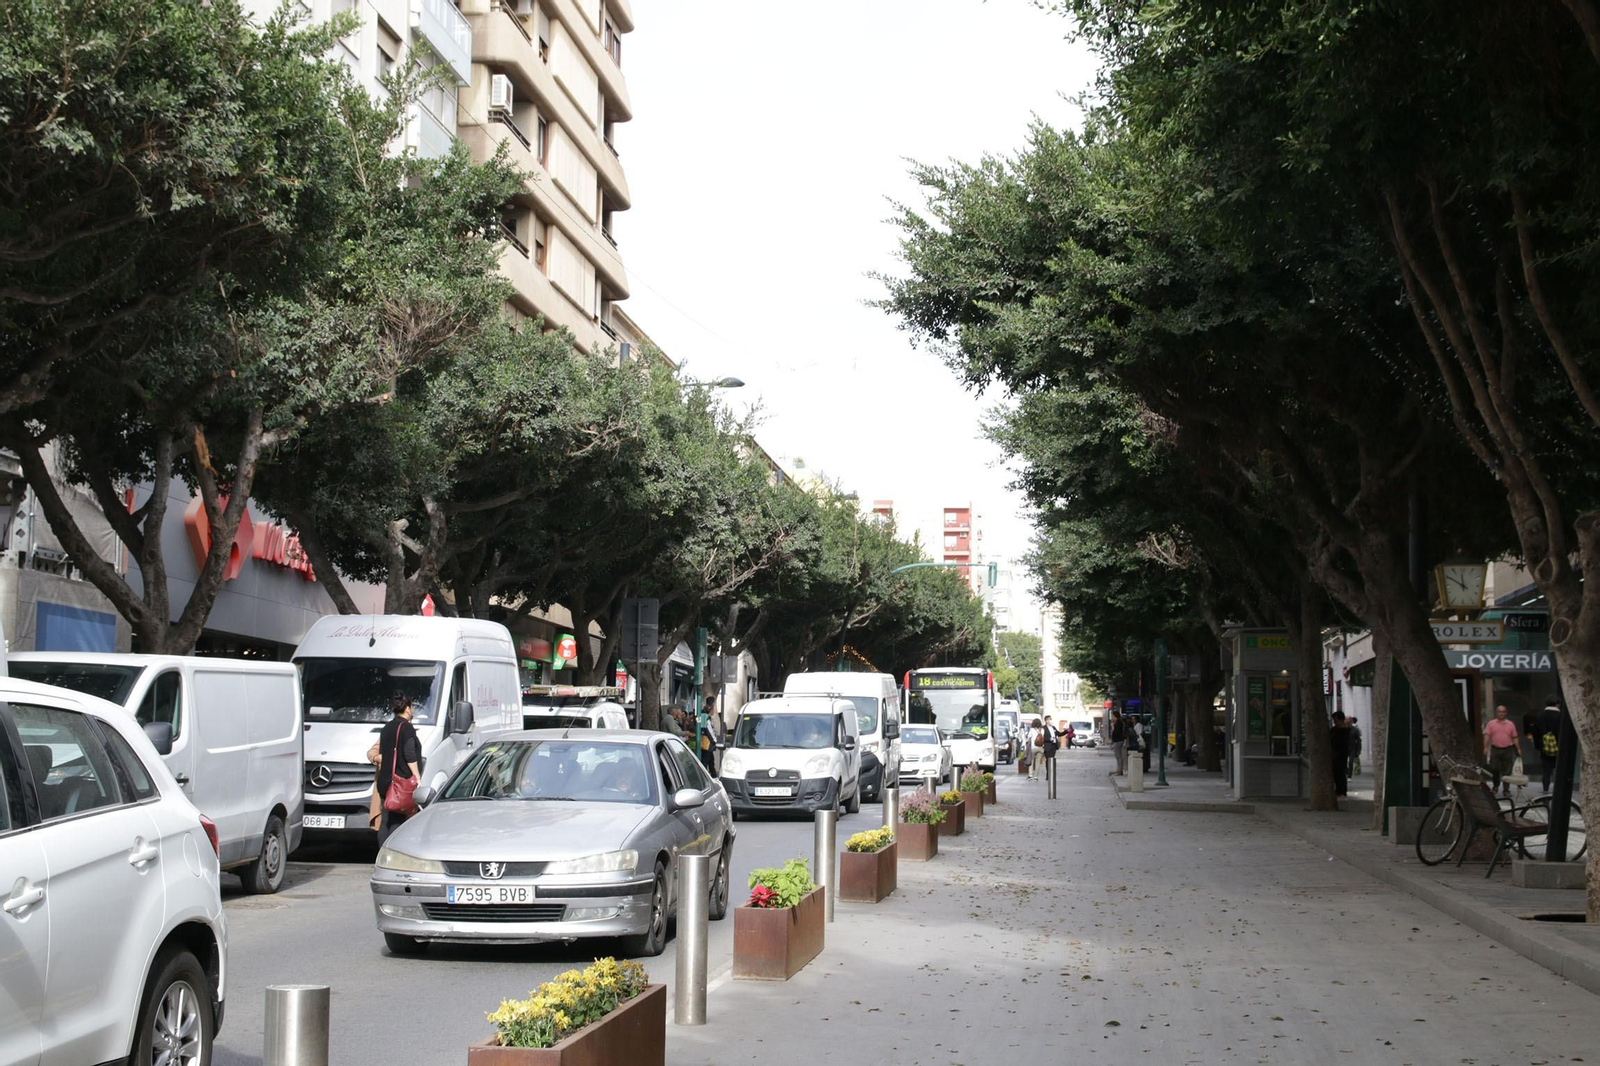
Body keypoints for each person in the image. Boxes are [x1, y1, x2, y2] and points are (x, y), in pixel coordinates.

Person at [375, 691, 421, 845]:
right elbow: (409, 754)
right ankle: (392, 855)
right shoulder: (406, 728)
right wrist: (417, 777)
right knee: (397, 823)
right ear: (407, 708)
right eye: (411, 706)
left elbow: (383, 753)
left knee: (385, 821)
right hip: (400, 783)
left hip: (385, 781)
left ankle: (382, 854)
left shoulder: (387, 727)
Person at [1482, 703, 1520, 796]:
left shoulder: (1510, 724)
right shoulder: (1491, 724)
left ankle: (1506, 790)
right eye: (1499, 712)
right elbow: (1487, 736)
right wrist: (1485, 747)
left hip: (1507, 749)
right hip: (1495, 749)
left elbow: (1515, 737)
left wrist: (1518, 748)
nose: (1501, 714)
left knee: (1507, 771)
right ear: (1496, 713)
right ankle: (1495, 786)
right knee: (1494, 768)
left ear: (1506, 713)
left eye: (1503, 712)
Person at [1532, 695, 1563, 793]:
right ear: (1557, 704)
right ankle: (1560, 790)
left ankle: (1545, 789)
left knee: (1546, 770)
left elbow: (1535, 733)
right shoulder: (1561, 716)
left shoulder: (1539, 716)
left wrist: (1538, 746)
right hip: (1559, 747)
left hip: (1544, 747)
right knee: (1560, 770)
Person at [1329, 711, 1351, 797]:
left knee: (1340, 774)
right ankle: (1338, 790)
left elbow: (1344, 746)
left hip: (1340, 756)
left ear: (1341, 720)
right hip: (1333, 755)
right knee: (1335, 773)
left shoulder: (1345, 731)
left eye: (1336, 720)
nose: (1335, 722)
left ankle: (1341, 791)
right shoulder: (1333, 730)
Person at [698, 696, 720, 776]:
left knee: (710, 760)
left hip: (706, 742)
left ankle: (713, 775)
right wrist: (714, 740)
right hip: (707, 742)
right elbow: (709, 730)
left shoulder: (703, 714)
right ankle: (706, 776)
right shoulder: (706, 716)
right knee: (706, 760)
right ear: (711, 708)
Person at [1110, 710, 1127, 776]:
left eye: (1113, 716)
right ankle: (1119, 770)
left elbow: (1116, 732)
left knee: (1118, 756)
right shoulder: (1118, 722)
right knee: (1118, 756)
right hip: (1118, 740)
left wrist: (1113, 727)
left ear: (1115, 716)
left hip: (1118, 741)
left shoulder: (1118, 723)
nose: (1112, 717)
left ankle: (1120, 770)